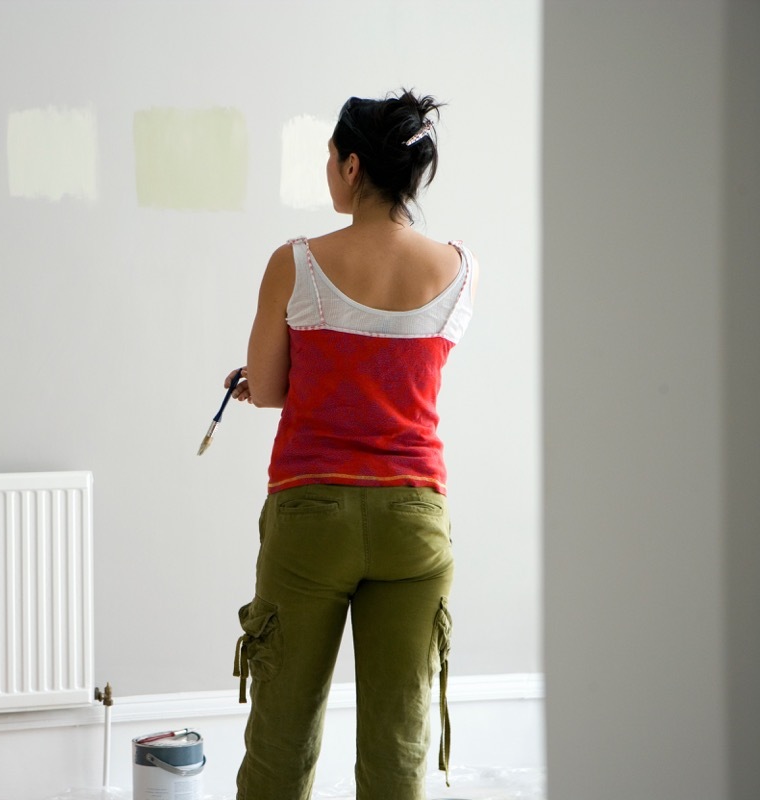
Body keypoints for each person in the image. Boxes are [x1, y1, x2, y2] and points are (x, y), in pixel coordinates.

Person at [227, 90, 478, 800]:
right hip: (414, 519)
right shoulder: (460, 269)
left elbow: (273, 388)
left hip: (312, 518)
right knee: (399, 745)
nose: (328, 172)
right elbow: (405, 378)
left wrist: (255, 382)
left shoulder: (296, 262)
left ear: (353, 164)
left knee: (281, 736)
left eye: (330, 159)